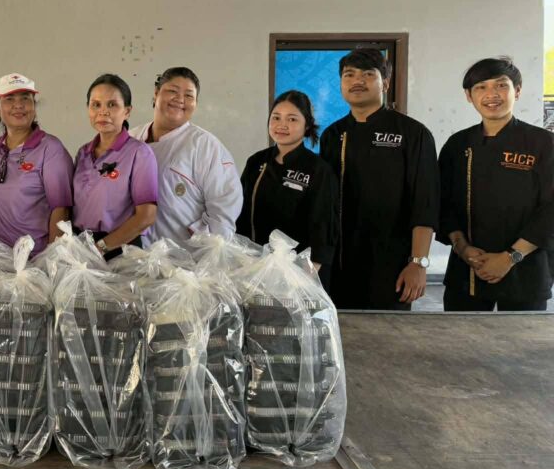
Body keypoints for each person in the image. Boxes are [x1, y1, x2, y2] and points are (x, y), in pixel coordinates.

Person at [320, 48, 439, 310]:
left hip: (393, 264)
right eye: (349, 75)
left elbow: (425, 202)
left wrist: (418, 263)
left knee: (388, 332)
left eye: (367, 74)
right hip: (340, 263)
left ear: (385, 83)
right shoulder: (332, 135)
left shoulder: (412, 133)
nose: (357, 81)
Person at [439, 57, 554, 311]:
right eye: (481, 87)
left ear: (518, 91)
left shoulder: (543, 143)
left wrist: (511, 256)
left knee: (520, 338)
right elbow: (443, 202)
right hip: (468, 268)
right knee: (460, 335)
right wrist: (462, 247)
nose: (491, 94)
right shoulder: (458, 145)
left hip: (526, 271)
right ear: (469, 96)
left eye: (501, 85)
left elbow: (551, 209)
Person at [129, 67, 242, 243]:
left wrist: (202, 243)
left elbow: (225, 206)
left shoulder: (205, 145)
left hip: (185, 254)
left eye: (189, 95)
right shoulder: (131, 139)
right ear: (156, 93)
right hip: (132, 251)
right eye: (172, 91)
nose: (180, 99)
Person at [236, 90, 338, 285]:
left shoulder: (318, 170)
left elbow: (323, 226)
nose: (282, 125)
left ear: (307, 125)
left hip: (298, 274)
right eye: (276, 117)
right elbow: (241, 212)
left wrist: (306, 276)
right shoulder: (257, 161)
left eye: (292, 119)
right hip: (254, 267)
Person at [0, 73, 73, 255]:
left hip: (36, 259)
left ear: (34, 106)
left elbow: (61, 211)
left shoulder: (50, 149)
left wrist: (51, 260)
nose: (19, 105)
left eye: (25, 98)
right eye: (9, 99)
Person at [72, 74, 158, 260]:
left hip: (119, 249)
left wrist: (100, 248)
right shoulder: (83, 153)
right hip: (82, 247)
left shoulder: (139, 153)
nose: (103, 112)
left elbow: (146, 216)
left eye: (112, 105)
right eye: (96, 105)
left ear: (127, 111)